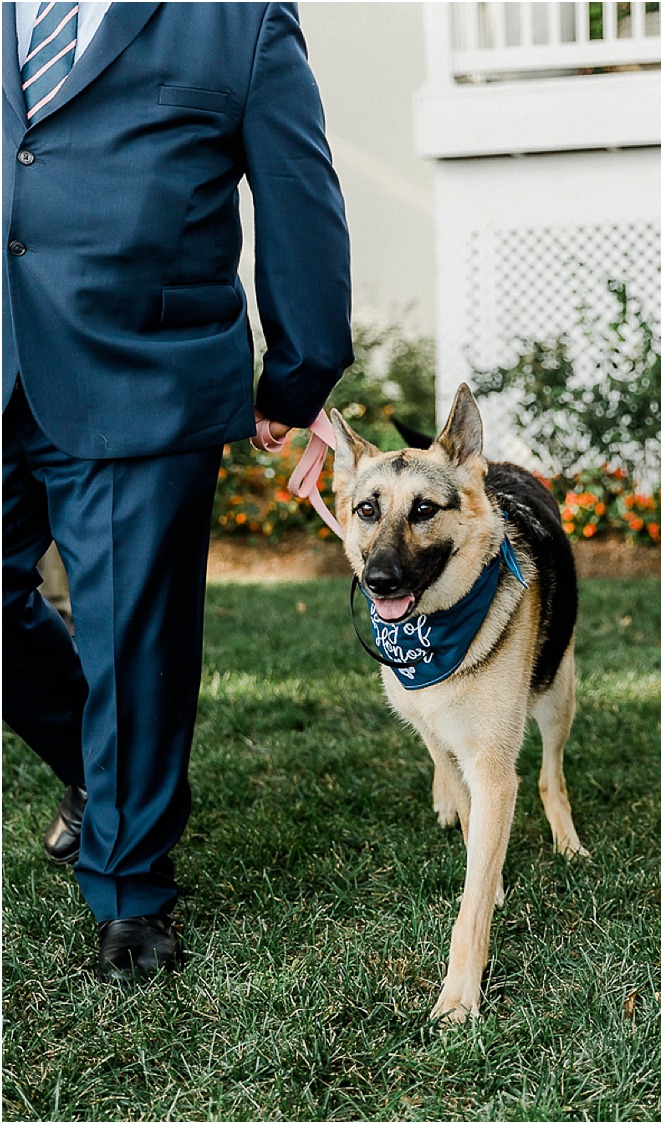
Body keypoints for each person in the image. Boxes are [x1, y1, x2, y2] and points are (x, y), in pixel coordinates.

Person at [2, 1, 353, 982]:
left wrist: (301, 368)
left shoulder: (237, 20)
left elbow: (298, 193)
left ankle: (131, 888)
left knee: (133, 638)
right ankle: (98, 769)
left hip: (141, 370)